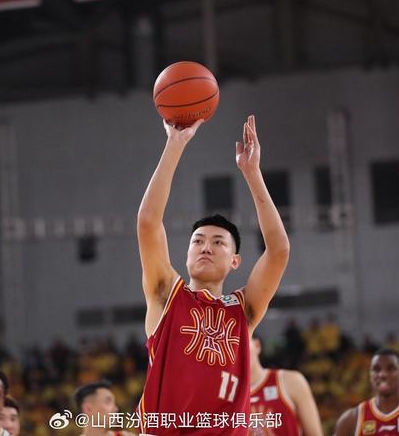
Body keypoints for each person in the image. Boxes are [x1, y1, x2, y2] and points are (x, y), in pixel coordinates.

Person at [137, 115, 290, 435]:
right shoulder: (166, 294)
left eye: (218, 242)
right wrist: (175, 143)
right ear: (187, 254)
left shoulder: (243, 310)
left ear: (235, 261)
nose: (205, 247)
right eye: (197, 241)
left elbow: (278, 251)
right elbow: (149, 222)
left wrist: (252, 174)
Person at [249, 336, 323, 436]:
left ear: (257, 345)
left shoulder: (291, 381)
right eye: (231, 348)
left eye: (242, 343)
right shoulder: (227, 397)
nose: (238, 351)